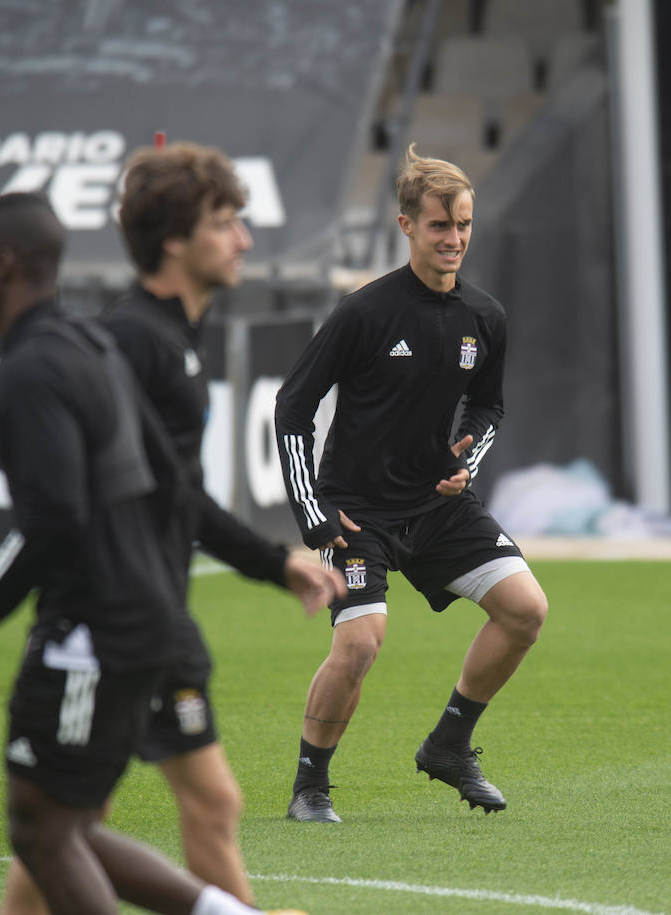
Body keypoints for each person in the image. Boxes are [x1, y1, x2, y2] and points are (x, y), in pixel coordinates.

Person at [0, 144, 343, 913]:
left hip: (150, 608)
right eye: (226, 222)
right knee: (65, 824)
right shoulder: (133, 344)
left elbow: (175, 492)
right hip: (116, 615)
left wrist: (273, 563)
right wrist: (271, 561)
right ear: (174, 239)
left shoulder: (172, 343)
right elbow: (114, 499)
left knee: (95, 820)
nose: (244, 240)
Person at [274, 144, 549, 823]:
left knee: (526, 609)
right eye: (438, 226)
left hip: (438, 506)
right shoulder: (363, 313)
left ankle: (450, 745)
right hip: (358, 512)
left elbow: (488, 406)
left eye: (463, 226)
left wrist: (468, 461)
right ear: (406, 226)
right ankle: (311, 785)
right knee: (362, 642)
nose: (453, 239)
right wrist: (314, 514)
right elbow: (291, 407)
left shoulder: (485, 317)